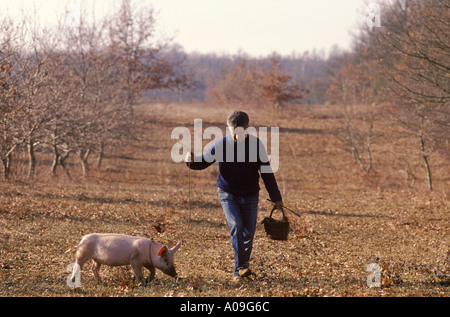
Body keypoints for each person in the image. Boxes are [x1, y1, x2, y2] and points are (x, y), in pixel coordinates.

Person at [185, 111, 283, 283]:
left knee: (249, 233)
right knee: (237, 225)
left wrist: (276, 196)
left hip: (251, 195)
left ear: (246, 129)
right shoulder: (221, 144)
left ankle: (240, 271)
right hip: (228, 194)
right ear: (228, 128)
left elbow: (266, 172)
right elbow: (202, 163)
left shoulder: (256, 145)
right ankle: (242, 268)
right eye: (232, 131)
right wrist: (190, 161)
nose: (235, 135)